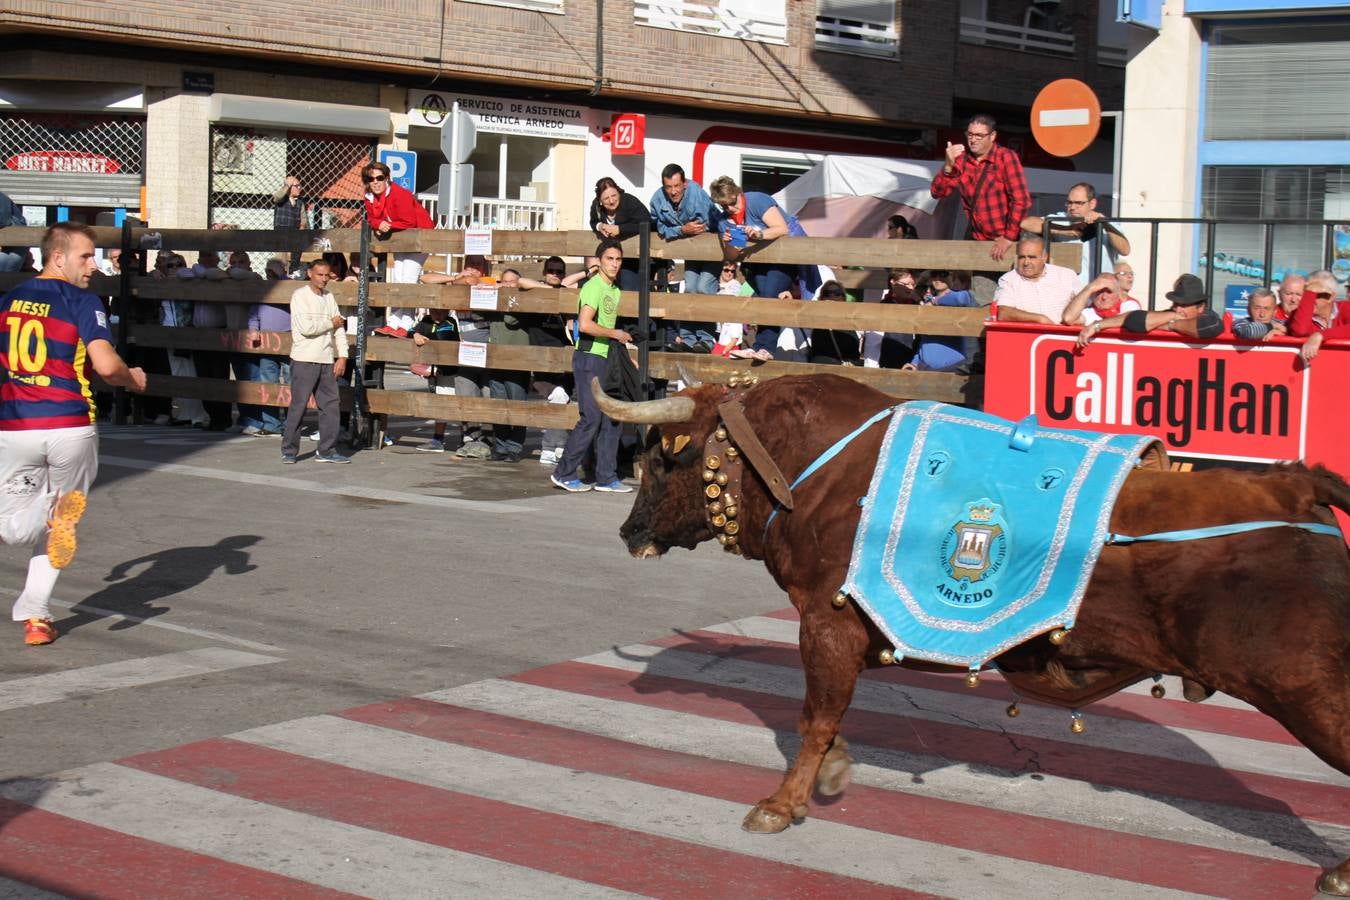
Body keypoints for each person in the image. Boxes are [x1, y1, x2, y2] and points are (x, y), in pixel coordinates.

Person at [1, 222, 147, 646]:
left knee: (13, 528)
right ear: (58, 257)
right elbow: (105, 366)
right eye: (86, 256)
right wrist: (132, 378)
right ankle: (36, 613)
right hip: (71, 426)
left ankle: (37, 613)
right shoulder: (81, 301)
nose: (94, 265)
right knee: (62, 518)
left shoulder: (9, 300)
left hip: (17, 425)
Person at [550, 238, 633, 494]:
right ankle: (563, 472)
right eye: (609, 258)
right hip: (589, 357)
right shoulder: (594, 287)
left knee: (612, 415)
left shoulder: (615, 290)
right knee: (591, 417)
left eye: (618, 259)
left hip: (607, 357)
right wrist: (615, 334)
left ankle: (606, 477)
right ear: (599, 261)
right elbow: (584, 325)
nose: (614, 264)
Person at [708, 175, 819, 352]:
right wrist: (728, 243)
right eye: (724, 206)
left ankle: (764, 347)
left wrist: (758, 235)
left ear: (738, 193)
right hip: (757, 261)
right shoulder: (724, 221)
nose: (730, 208)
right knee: (765, 298)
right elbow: (733, 256)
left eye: (732, 202)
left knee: (769, 295)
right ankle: (763, 348)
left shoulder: (757, 200)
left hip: (785, 256)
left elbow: (781, 228)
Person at [929, 114, 1030, 262]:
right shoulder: (961, 159)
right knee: (981, 285)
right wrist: (948, 166)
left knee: (1010, 284)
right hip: (980, 242)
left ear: (992, 136)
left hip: (1007, 241)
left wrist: (1009, 237)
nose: (973, 139)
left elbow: (1021, 200)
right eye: (970, 134)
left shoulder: (1005, 157)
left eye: (979, 135)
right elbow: (937, 193)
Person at [281, 259, 349, 464]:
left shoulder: (329, 297)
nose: (324, 279)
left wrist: (343, 356)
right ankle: (289, 451)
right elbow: (305, 328)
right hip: (304, 359)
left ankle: (326, 450)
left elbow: (339, 329)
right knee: (299, 405)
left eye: (327, 275)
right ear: (310, 273)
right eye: (320, 274)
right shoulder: (300, 296)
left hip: (326, 359)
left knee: (330, 406)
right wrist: (331, 322)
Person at [362, 161, 434, 338]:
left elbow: (409, 221)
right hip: (400, 240)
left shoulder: (400, 194)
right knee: (398, 279)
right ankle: (393, 322)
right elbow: (372, 219)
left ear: (387, 178)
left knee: (408, 280)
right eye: (371, 179)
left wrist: (388, 225)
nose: (376, 182)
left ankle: (406, 324)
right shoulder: (369, 197)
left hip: (420, 239)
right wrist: (380, 223)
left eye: (379, 178)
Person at [1021, 183, 1131, 286]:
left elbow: (1125, 250)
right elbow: (1026, 223)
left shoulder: (1107, 223)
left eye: (1078, 203)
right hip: (1067, 293)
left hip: (1099, 293)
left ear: (1092, 203)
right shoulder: (1062, 219)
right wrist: (1065, 230)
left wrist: (1104, 223)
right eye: (1069, 202)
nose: (1072, 207)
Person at [1076, 273, 1224, 349]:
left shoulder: (1209, 317)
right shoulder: (1169, 313)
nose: (1178, 309)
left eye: (1185, 305)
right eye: (1176, 304)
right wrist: (1097, 326)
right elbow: (1135, 319)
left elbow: (1206, 328)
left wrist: (1170, 324)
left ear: (1201, 307)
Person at [650, 164, 720, 294]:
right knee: (691, 289)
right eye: (668, 187)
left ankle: (707, 314)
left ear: (685, 183)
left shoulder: (696, 194)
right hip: (690, 248)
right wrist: (682, 230)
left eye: (677, 186)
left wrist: (683, 231)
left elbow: (707, 225)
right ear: (663, 186)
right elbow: (660, 229)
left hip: (713, 246)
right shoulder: (657, 201)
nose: (673, 191)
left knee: (704, 288)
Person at [903, 270, 978, 372]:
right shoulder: (928, 303)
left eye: (943, 274)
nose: (937, 278)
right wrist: (914, 363)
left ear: (954, 277)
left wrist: (936, 301)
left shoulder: (962, 296)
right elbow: (924, 341)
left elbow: (961, 299)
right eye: (934, 274)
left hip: (953, 368)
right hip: (925, 367)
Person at [994, 236, 1078, 324]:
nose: (1026, 262)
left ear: (1044, 257)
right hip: (1028, 335)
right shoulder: (1008, 280)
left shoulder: (1066, 275)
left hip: (1064, 335)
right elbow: (1004, 313)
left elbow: (1087, 304)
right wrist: (1040, 319)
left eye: (1032, 257)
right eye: (1022, 257)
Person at [589, 177, 650, 292]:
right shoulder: (596, 206)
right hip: (608, 259)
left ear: (619, 192)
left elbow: (647, 222)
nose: (611, 201)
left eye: (614, 195)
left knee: (627, 287)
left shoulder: (629, 201)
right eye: (606, 198)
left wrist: (620, 229)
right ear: (600, 200)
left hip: (632, 258)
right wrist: (599, 226)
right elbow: (593, 222)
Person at [1286, 271, 1350, 361]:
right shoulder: (1298, 314)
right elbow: (1300, 331)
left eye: (1316, 294)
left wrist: (1320, 335)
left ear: (1331, 297)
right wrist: (1309, 292)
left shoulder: (1346, 307)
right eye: (1306, 293)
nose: (1309, 300)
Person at [806, 281, 862, 366]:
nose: (832, 296)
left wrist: (851, 363)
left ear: (843, 298)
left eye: (837, 293)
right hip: (820, 371)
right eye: (827, 293)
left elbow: (855, 355)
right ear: (822, 298)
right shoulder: (815, 320)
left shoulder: (850, 322)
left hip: (842, 373)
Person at [1060, 272, 1140, 326]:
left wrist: (1096, 326)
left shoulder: (1128, 305)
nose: (1104, 297)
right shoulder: (1090, 313)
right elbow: (1068, 318)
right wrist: (1088, 289)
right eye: (1099, 292)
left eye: (1109, 292)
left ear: (1118, 293)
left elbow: (1131, 319)